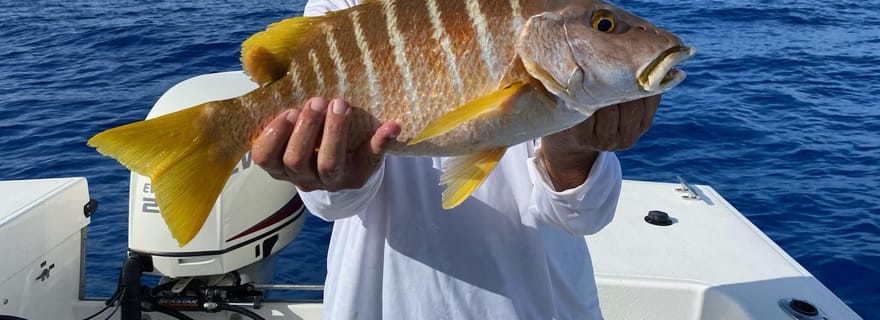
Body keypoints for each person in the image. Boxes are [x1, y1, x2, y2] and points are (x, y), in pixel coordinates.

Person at [252, 1, 661, 318]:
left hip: (539, 300)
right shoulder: (346, 8)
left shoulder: (550, 13)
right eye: (603, 25)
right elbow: (334, 205)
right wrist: (331, 176)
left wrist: (575, 155)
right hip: (386, 300)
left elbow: (582, 217)